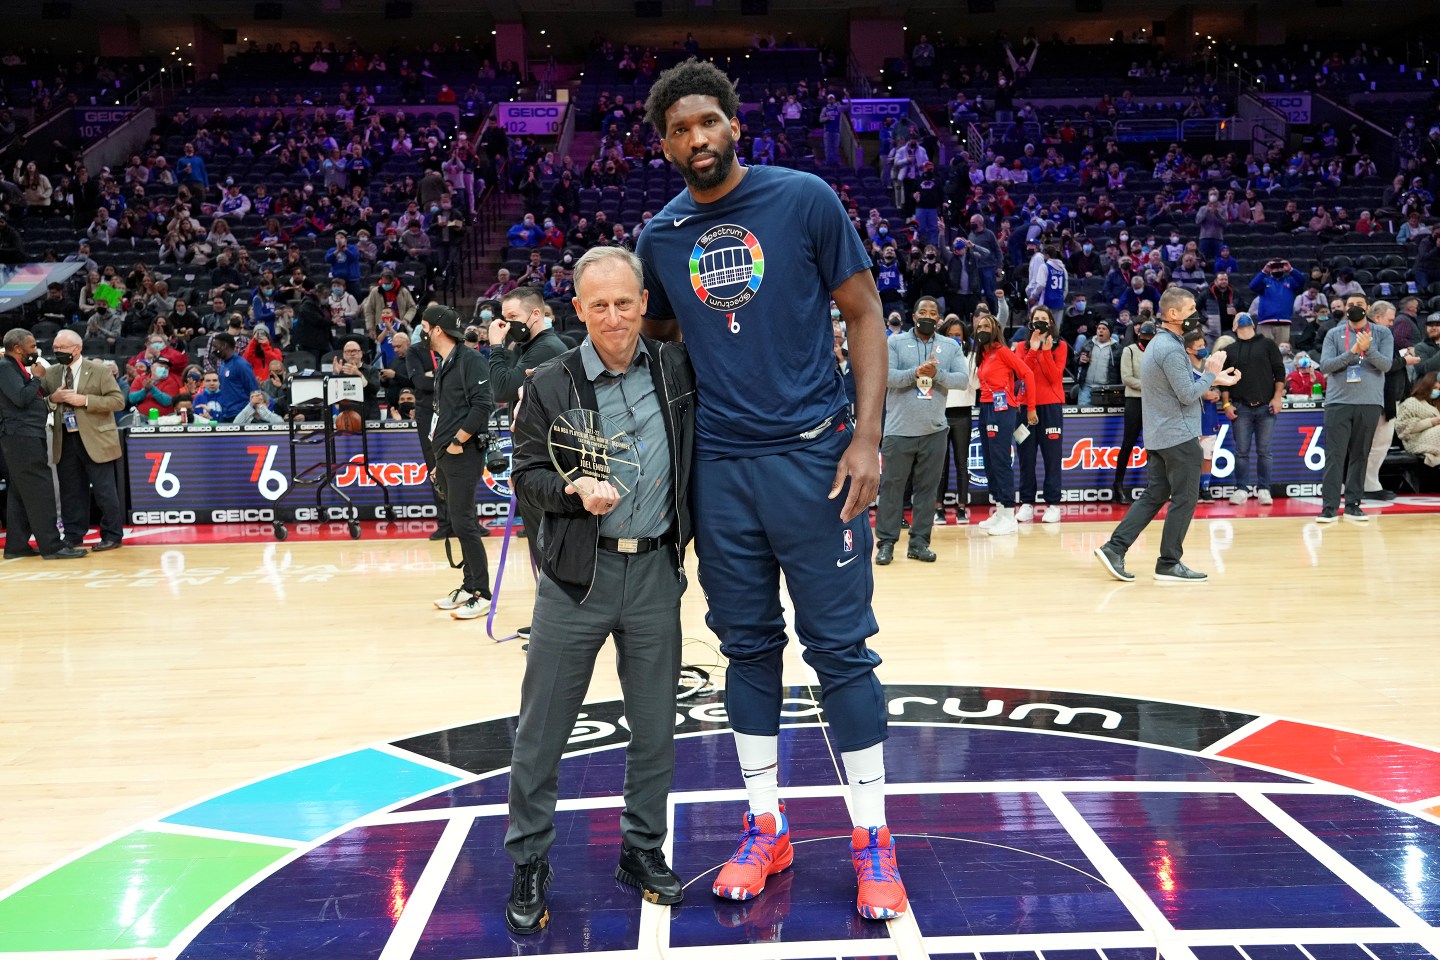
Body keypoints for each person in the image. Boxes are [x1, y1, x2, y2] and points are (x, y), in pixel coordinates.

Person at [635, 58, 905, 920]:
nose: (697, 138)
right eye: (680, 129)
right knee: (746, 649)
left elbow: (865, 313)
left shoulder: (803, 199)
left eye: (708, 121)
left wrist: (867, 438)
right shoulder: (661, 237)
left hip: (815, 460)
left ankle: (872, 837)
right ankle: (766, 826)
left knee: (841, 651)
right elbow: (661, 348)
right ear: (666, 146)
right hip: (721, 471)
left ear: (734, 125)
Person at [503, 246, 696, 935]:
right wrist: (570, 490)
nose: (613, 317)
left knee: (656, 727)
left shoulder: (678, 369)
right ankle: (529, 859)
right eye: (599, 305)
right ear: (578, 310)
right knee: (542, 730)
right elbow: (524, 475)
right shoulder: (550, 383)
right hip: (575, 580)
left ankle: (642, 849)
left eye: (624, 302)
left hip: (655, 573)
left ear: (644, 303)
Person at [1094, 287, 1240, 583]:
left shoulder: (1159, 343)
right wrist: (1211, 374)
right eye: (1190, 309)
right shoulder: (1172, 348)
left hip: (1160, 435)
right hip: (1179, 436)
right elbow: (1187, 394)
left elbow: (1176, 382)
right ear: (1173, 313)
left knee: (1155, 495)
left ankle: (1114, 548)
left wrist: (1212, 379)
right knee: (1185, 499)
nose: (1195, 315)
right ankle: (1169, 563)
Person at [874, 296, 967, 564]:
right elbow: (886, 376)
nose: (927, 316)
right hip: (898, 430)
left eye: (932, 312)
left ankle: (919, 543)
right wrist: (916, 373)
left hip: (934, 431)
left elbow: (962, 380)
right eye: (922, 312)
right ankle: (886, 543)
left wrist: (937, 375)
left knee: (927, 491)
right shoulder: (895, 342)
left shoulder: (949, 346)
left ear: (939, 318)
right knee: (892, 489)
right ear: (913, 316)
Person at [421, 304, 494, 618]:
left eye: (425, 328)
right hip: (447, 457)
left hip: (464, 454)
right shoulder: (447, 362)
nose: (422, 333)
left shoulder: (470, 359)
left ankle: (483, 593)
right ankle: (468, 585)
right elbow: (445, 412)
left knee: (465, 523)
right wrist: (440, 457)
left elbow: (483, 406)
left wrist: (456, 442)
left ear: (437, 330)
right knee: (458, 522)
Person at [0, 329, 86, 559]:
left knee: (20, 494)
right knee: (41, 491)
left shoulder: (13, 368)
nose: (35, 351)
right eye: (31, 346)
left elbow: (27, 401)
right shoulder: (5, 367)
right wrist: (36, 377)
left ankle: (16, 546)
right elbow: (21, 399)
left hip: (24, 436)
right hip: (21, 438)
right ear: (17, 348)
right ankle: (52, 547)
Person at [42, 331, 125, 551]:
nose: (57, 351)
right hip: (64, 437)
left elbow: (118, 401)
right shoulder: (51, 373)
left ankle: (113, 535)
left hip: (97, 438)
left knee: (104, 490)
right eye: (55, 347)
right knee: (70, 491)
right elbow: (40, 402)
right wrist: (53, 399)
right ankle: (73, 535)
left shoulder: (99, 371)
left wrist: (85, 400)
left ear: (77, 349)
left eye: (62, 348)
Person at [1315, 303, 1394, 522]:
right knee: (1334, 455)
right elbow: (1325, 366)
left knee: (1360, 455)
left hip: (1369, 402)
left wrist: (1368, 349)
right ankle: (1329, 507)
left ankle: (1353, 505)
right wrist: (1352, 352)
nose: (1354, 308)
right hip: (1338, 401)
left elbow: (1386, 365)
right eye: (1350, 304)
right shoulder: (1334, 333)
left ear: (1367, 308)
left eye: (1359, 304)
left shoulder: (1382, 333)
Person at [1216, 314, 1286, 506]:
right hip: (1241, 408)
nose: (1243, 318)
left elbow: (1279, 371)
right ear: (1233, 327)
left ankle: (1264, 489)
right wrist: (1226, 404)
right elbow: (1224, 380)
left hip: (1265, 406)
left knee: (1265, 451)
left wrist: (1277, 397)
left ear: (1253, 325)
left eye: (1245, 317)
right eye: (1238, 318)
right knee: (1241, 452)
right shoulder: (1229, 350)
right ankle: (1241, 489)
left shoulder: (1268, 344)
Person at [972, 310, 1031, 536]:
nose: (982, 330)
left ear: (995, 330)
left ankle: (1009, 514)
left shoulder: (1003, 352)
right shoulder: (982, 355)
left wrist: (1029, 405)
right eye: (979, 327)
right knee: (989, 461)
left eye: (986, 327)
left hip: (1003, 409)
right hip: (986, 408)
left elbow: (1027, 374)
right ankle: (999, 509)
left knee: (1001, 460)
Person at [1014, 306, 1068, 522]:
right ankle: (1027, 503)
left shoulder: (1060, 346)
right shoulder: (1021, 346)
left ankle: (1053, 504)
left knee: (1052, 457)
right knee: (1025, 457)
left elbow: (1054, 377)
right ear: (1031, 321)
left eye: (1044, 319)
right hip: (1024, 407)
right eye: (1036, 318)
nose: (1040, 322)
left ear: (1051, 323)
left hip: (1050, 407)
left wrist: (1045, 352)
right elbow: (1021, 374)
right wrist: (1033, 350)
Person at [934, 315, 975, 523]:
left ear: (964, 337)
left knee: (961, 462)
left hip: (963, 413)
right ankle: (938, 508)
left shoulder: (971, 357)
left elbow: (974, 384)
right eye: (950, 335)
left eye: (958, 335)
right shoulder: (936, 356)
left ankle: (961, 508)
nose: (954, 338)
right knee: (940, 464)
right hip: (940, 412)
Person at [1248, 259, 1303, 344]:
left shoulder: (1290, 282)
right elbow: (1252, 285)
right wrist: (1264, 271)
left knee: (1282, 349)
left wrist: (1291, 269)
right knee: (1264, 349)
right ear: (1270, 270)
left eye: (1280, 267)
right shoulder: (1265, 282)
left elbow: (1302, 280)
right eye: (1274, 267)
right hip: (1265, 323)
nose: (1278, 269)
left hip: (1284, 322)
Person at [210, 333, 261, 422]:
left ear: (224, 346)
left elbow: (254, 390)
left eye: (215, 346)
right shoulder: (223, 366)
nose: (213, 350)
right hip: (226, 414)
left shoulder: (241, 364)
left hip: (241, 414)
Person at [1394, 371, 1440, 467]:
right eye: (1435, 388)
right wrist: (1431, 422)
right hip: (1415, 439)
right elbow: (1402, 429)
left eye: (1439, 389)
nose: (1437, 391)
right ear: (1427, 386)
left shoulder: (1437, 403)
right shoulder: (1411, 402)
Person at [1075, 319, 1121, 407]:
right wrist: (1080, 360)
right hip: (1086, 387)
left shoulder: (1117, 349)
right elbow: (1075, 359)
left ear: (1110, 332)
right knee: (1083, 413)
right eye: (1099, 328)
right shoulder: (1088, 344)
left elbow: (1120, 369)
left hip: (1106, 389)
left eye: (1104, 329)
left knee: (1104, 415)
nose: (1100, 330)